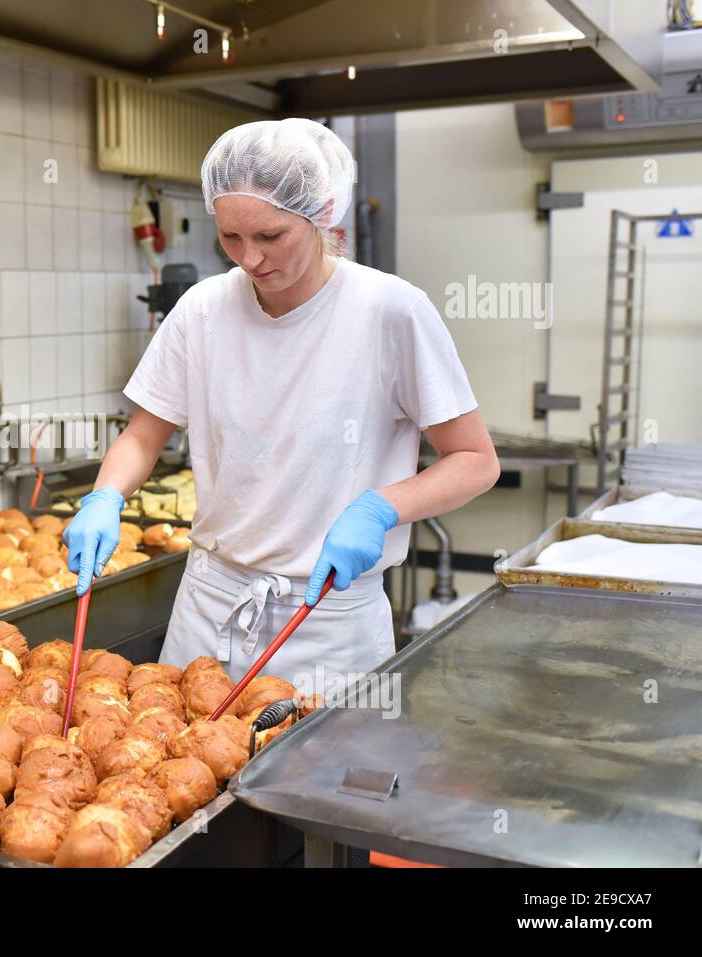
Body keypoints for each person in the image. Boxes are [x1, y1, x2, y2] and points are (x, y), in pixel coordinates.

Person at [63, 118, 499, 694]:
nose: (250, 258)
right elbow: (143, 437)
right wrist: (105, 496)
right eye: (231, 238)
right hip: (208, 608)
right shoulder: (202, 311)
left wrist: (382, 508)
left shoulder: (390, 312)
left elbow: (474, 459)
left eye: (270, 236)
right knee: (173, 772)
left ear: (322, 215)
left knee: (309, 784)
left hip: (328, 620)